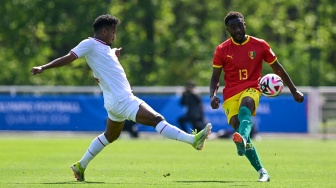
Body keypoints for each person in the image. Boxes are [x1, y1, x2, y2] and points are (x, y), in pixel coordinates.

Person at [31, 14, 212, 182]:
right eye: (112, 31)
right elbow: (69, 57)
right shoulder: (90, 44)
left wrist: (114, 54)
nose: (114, 35)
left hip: (114, 102)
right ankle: (192, 141)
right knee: (157, 119)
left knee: (110, 135)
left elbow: (104, 68)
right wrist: (44, 67)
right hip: (123, 100)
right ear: (103, 31)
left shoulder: (105, 49)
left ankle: (80, 166)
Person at [209, 12, 304, 182]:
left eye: (240, 25)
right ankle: (262, 171)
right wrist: (212, 96)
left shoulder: (259, 45)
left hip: (252, 87)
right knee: (237, 125)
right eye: (233, 27)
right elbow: (215, 77)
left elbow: (278, 68)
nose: (237, 30)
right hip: (230, 94)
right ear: (228, 30)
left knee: (246, 105)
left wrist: (294, 90)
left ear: (245, 24)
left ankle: (243, 138)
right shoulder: (222, 49)